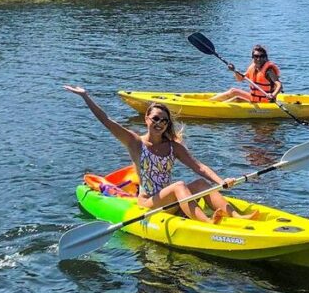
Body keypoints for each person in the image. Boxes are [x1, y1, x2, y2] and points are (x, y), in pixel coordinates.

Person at [63, 86, 257, 223]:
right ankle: (206, 222)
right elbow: (107, 121)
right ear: (147, 118)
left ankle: (237, 217)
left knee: (200, 184)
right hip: (149, 203)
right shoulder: (135, 143)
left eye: (164, 121)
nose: (159, 123)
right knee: (179, 185)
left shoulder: (174, 147)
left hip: (170, 201)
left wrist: (221, 180)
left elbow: (199, 167)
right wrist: (86, 97)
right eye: (155, 118)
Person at [210, 45, 282, 103]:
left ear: (265, 57)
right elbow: (240, 79)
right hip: (254, 99)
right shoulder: (253, 68)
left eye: (261, 56)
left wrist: (272, 95)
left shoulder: (268, 71)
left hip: (266, 102)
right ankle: (208, 102)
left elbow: (279, 85)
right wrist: (234, 70)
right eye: (256, 56)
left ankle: (213, 109)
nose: (259, 59)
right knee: (233, 91)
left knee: (237, 99)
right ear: (252, 57)